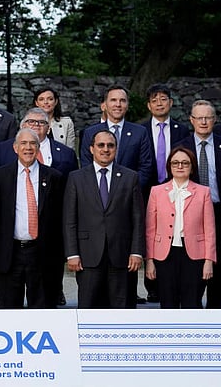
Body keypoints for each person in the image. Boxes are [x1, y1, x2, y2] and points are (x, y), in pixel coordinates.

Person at [64, 130, 145, 309]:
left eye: (110, 145)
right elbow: (70, 219)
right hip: (87, 256)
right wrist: (72, 254)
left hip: (122, 256)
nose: (106, 149)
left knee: (122, 309)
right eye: (101, 145)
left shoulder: (130, 177)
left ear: (116, 149)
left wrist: (136, 252)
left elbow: (138, 218)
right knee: (89, 308)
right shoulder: (76, 178)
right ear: (92, 149)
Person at [176, 100, 221, 307]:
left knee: (217, 262)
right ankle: (192, 307)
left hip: (219, 209)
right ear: (191, 120)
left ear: (214, 120)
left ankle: (214, 307)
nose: (203, 122)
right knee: (193, 261)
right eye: (199, 118)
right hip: (189, 212)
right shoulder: (181, 147)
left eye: (208, 117)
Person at [0, 128, 65, 308]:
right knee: (9, 310)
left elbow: (60, 218)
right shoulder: (0, 176)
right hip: (11, 253)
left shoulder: (54, 177)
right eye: (23, 143)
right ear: (15, 148)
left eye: (33, 143)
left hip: (42, 253)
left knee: (43, 308)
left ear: (39, 148)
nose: (28, 148)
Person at [145, 146, 216, 308]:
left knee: (192, 302)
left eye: (185, 163)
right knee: (167, 302)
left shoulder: (203, 192)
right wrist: (149, 260)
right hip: (164, 254)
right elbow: (150, 229)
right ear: (169, 166)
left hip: (194, 255)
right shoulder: (156, 191)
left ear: (192, 167)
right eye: (175, 162)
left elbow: (210, 230)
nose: (180, 166)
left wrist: (209, 261)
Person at [80, 85, 154, 191]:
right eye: (113, 100)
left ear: (127, 105)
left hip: (130, 194)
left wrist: (131, 189)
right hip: (99, 194)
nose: (118, 104)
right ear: (105, 105)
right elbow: (86, 165)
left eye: (122, 100)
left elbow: (145, 167)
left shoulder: (140, 132)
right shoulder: (90, 132)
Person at [0, 108, 78, 177]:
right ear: (22, 126)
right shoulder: (2, 150)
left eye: (42, 122)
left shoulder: (66, 153)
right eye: (31, 121)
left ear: (48, 128)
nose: (36, 125)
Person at [143, 83, 191, 185]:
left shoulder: (182, 131)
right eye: (154, 101)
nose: (159, 104)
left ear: (171, 102)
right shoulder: (141, 130)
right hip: (147, 187)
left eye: (163, 99)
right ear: (149, 106)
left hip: (176, 185)